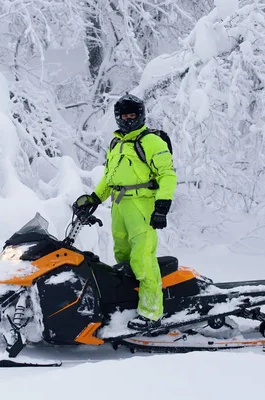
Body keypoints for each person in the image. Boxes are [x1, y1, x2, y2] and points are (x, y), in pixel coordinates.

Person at [73, 93, 177, 331]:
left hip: (142, 205)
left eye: (132, 114)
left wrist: (162, 207)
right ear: (117, 117)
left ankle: (151, 313)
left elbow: (168, 175)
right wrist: (94, 198)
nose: (128, 119)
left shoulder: (151, 141)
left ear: (140, 115)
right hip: (119, 206)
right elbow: (110, 178)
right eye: (123, 115)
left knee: (143, 259)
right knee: (123, 258)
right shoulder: (116, 143)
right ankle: (130, 303)